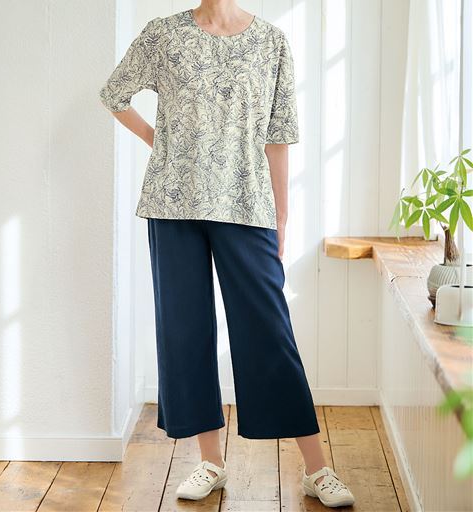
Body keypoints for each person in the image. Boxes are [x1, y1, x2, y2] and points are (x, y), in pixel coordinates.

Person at [99, 1, 355, 508]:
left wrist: (281, 216)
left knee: (269, 330)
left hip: (247, 204)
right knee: (185, 331)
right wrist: (158, 140)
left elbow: (279, 136)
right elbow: (114, 94)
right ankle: (210, 462)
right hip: (174, 205)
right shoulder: (163, 35)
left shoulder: (271, 43)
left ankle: (317, 469)